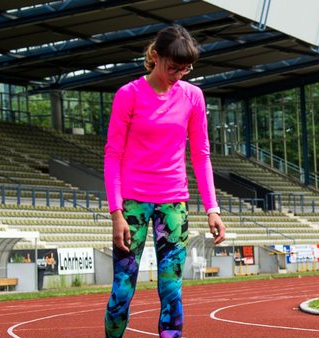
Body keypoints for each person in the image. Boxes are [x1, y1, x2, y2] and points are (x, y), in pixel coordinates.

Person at [103, 24, 227, 338]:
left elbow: (200, 154)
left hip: (174, 205)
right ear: (155, 57)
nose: (179, 75)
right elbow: (112, 155)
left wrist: (213, 208)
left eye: (186, 69)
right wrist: (116, 213)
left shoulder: (193, 97)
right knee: (122, 288)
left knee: (171, 289)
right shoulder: (128, 95)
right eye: (173, 67)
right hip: (132, 204)